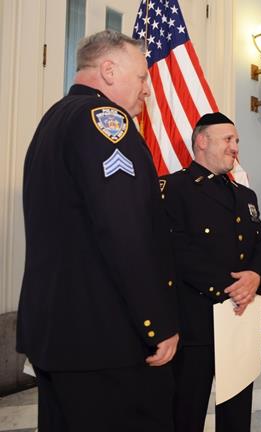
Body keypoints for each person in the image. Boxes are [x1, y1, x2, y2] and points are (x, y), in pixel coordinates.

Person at [17, 30, 179, 432]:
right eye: (142, 78)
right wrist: (156, 323)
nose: (147, 91)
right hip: (105, 340)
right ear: (108, 70)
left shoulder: (54, 119)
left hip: (59, 334)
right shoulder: (105, 122)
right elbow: (125, 231)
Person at [160, 112, 261, 432]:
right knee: (186, 412)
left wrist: (255, 277)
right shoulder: (175, 188)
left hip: (240, 319)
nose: (235, 147)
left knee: (237, 413)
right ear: (201, 141)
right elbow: (175, 250)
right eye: (228, 140)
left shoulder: (244, 195)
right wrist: (230, 287)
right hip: (195, 321)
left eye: (236, 140)